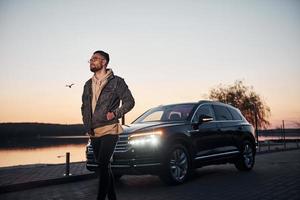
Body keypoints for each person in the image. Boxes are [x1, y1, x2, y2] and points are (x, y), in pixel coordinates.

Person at [81, 50, 135, 200]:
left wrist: (115, 113)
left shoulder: (117, 81)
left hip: (110, 128)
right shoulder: (87, 85)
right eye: (90, 59)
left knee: (103, 163)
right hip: (94, 131)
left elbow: (130, 102)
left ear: (104, 62)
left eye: (95, 58)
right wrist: (87, 125)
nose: (91, 61)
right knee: (104, 166)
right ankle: (112, 196)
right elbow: (84, 107)